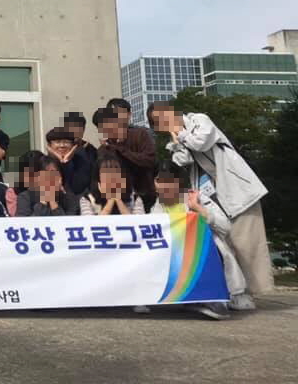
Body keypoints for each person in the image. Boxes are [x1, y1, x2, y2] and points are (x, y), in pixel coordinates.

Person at [147, 102, 273, 297]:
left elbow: (201, 142)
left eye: (165, 114)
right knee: (224, 243)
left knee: (246, 242)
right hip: (210, 196)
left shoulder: (199, 120)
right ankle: (235, 292)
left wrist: (179, 132)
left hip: (236, 190)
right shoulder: (174, 141)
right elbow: (182, 162)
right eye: (158, 121)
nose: (164, 120)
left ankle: (252, 292)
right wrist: (176, 141)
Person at [149, 162, 251, 315]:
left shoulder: (197, 197)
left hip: (202, 253)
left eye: (169, 180)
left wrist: (198, 208)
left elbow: (225, 227)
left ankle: (212, 298)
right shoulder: (156, 208)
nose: (165, 185)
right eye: (159, 180)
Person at [93, 105, 156, 212]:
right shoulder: (103, 150)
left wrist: (120, 149)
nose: (106, 129)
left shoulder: (139, 135)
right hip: (116, 200)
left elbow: (149, 160)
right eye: (101, 127)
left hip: (145, 196)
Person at [80, 152, 146, 215]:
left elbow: (138, 222)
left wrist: (118, 200)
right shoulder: (87, 199)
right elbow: (90, 223)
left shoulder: (135, 198)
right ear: (98, 179)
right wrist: (110, 201)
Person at [45, 127, 91, 196]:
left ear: (73, 146)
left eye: (66, 142)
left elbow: (78, 189)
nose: (62, 145)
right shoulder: (43, 163)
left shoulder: (82, 162)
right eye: (57, 142)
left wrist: (66, 163)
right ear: (49, 145)